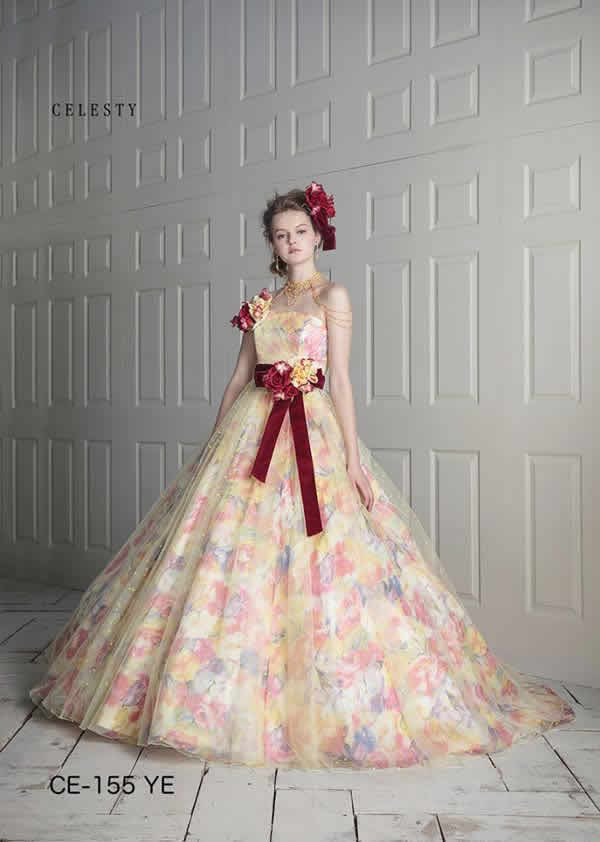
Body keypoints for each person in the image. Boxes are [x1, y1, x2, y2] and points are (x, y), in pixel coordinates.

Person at [29, 181, 574, 771]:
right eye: (280, 234)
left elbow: (340, 379)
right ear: (271, 242)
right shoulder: (262, 304)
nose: (291, 242)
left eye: (300, 232)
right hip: (252, 430)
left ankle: (328, 696)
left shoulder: (333, 296)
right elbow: (239, 378)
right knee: (230, 554)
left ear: (318, 235)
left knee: (327, 556)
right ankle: (213, 694)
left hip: (312, 431)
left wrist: (354, 461)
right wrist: (213, 445)